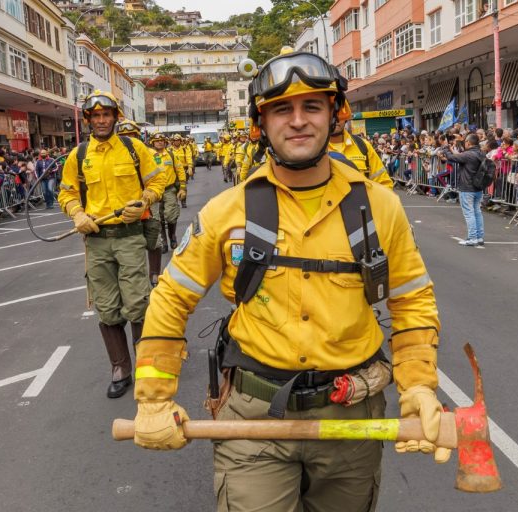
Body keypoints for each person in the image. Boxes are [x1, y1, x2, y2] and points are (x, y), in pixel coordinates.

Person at [130, 48, 448, 510]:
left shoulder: (381, 207)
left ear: (335, 115)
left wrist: (418, 386)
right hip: (252, 421)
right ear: (260, 124)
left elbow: (412, 301)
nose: (298, 121)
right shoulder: (226, 211)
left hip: (352, 417)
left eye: (312, 106)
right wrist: (154, 398)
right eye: (281, 109)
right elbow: (170, 299)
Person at [57, 90, 166, 398]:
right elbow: (66, 193)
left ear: (116, 117)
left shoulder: (134, 149)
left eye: (107, 114)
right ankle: (120, 368)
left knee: (138, 303)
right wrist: (77, 214)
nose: (102, 120)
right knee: (106, 308)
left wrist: (145, 200)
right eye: (96, 116)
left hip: (129, 236)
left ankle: (145, 367)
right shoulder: (79, 156)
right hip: (97, 242)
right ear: (88, 120)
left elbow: (157, 181)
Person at [117, 120, 165, 288]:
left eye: (131, 135)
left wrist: (149, 196)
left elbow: (159, 178)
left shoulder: (151, 153)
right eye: (124, 136)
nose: (128, 139)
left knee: (153, 239)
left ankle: (154, 273)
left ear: (138, 136)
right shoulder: (112, 156)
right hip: (124, 206)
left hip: (148, 202)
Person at [328, 100, 394, 189]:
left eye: (340, 114)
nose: (335, 119)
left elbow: (384, 184)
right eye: (330, 114)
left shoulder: (363, 146)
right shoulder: (313, 150)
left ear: (346, 117)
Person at [442, 134, 486, 246]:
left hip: (467, 187)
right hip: (478, 187)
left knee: (469, 213)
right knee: (477, 212)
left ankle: (472, 238)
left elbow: (452, 158)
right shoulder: (481, 153)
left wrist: (446, 149)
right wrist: (451, 150)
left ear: (468, 143)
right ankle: (479, 237)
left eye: (465, 141)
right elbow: (459, 156)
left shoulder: (469, 154)